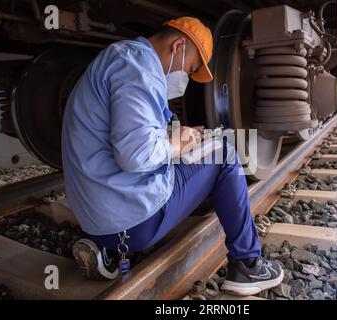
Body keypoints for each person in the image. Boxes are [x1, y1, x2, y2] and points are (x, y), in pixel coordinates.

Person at [61, 17, 283, 296]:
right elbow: (136, 155)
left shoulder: (119, 58)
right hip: (132, 225)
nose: (186, 80)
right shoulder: (140, 67)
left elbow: (127, 137)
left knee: (195, 151)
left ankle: (110, 252)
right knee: (224, 153)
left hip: (95, 222)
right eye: (190, 70)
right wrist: (179, 146)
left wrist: (178, 138)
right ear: (178, 46)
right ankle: (248, 265)